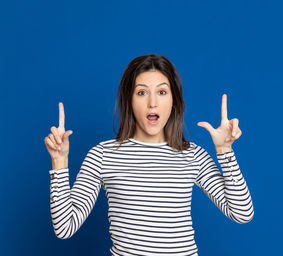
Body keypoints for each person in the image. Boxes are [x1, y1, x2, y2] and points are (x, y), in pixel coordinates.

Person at [44, 54, 254, 256]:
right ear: (129, 99)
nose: (152, 103)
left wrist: (225, 151)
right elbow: (65, 228)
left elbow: (242, 213)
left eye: (162, 92)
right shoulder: (102, 155)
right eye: (142, 92)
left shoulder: (193, 155)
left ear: (174, 100)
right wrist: (59, 161)